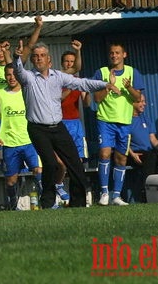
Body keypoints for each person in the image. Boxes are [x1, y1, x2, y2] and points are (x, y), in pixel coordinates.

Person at [10, 41, 120, 209]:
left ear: (49, 60)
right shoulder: (28, 78)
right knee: (51, 164)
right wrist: (17, 56)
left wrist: (105, 85)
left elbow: (82, 83)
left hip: (58, 127)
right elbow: (18, 70)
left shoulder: (58, 76)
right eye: (35, 56)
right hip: (38, 128)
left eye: (42, 56)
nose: (39, 59)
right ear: (32, 60)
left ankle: (78, 203)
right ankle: (47, 202)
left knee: (75, 163)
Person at [0, 19, 40, 211]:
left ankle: (45, 194)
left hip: (16, 118)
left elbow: (29, 47)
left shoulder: (14, 68)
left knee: (32, 160)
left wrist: (37, 27)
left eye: (1, 50)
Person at [92, 42, 143, 206]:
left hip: (124, 122)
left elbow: (137, 98)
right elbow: (97, 99)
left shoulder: (132, 72)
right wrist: (109, 86)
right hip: (105, 120)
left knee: (121, 158)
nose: (114, 56)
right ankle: (104, 192)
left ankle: (116, 195)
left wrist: (129, 87)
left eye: (117, 53)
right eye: (112, 53)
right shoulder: (101, 72)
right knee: (105, 153)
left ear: (124, 55)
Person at [0, 64, 42, 210]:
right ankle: (12, 204)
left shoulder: (28, 92)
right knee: (11, 180)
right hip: (10, 143)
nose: (11, 78)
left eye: (14, 74)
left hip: (29, 141)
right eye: (8, 75)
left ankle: (46, 201)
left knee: (38, 170)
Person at [125, 92, 158, 202]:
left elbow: (153, 139)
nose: (144, 104)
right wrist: (132, 154)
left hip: (148, 153)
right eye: (141, 101)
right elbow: (123, 140)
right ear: (133, 102)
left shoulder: (145, 118)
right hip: (134, 153)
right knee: (151, 156)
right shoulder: (126, 119)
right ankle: (146, 192)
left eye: (144, 101)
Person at [54, 41, 89, 204]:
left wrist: (87, 92)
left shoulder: (78, 81)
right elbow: (57, 100)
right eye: (67, 61)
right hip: (61, 123)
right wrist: (69, 88)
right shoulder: (57, 79)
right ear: (62, 63)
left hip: (75, 124)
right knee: (60, 162)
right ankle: (58, 184)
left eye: (72, 61)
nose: (69, 63)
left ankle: (78, 194)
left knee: (78, 161)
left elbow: (87, 103)